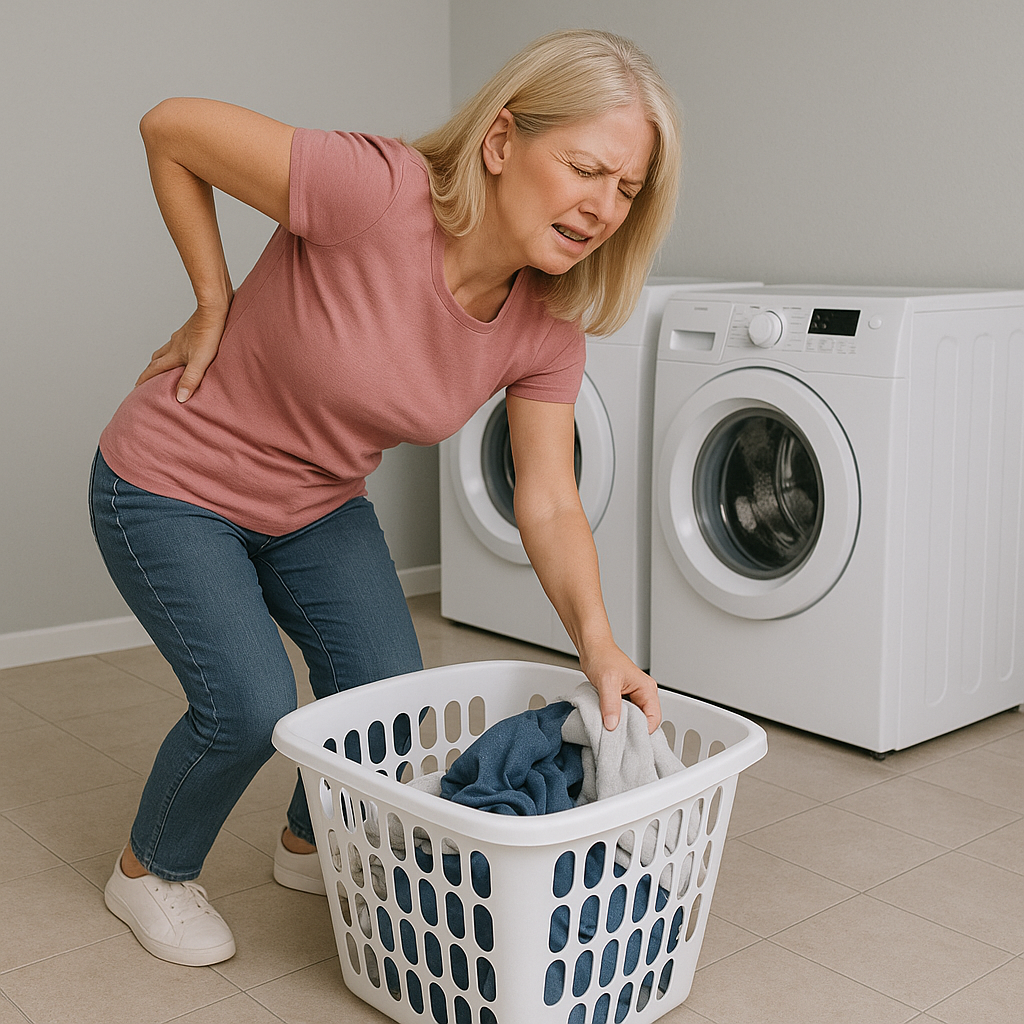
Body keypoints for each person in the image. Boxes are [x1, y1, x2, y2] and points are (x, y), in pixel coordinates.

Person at [89, 27, 681, 967]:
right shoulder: (379, 191)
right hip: (171, 480)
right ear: (501, 143)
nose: (604, 206)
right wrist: (213, 298)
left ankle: (304, 842)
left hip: (316, 501)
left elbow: (551, 502)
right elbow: (172, 127)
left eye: (627, 189)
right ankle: (147, 872)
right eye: (585, 168)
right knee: (247, 703)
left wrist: (600, 647)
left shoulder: (547, 321)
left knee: (385, 698)